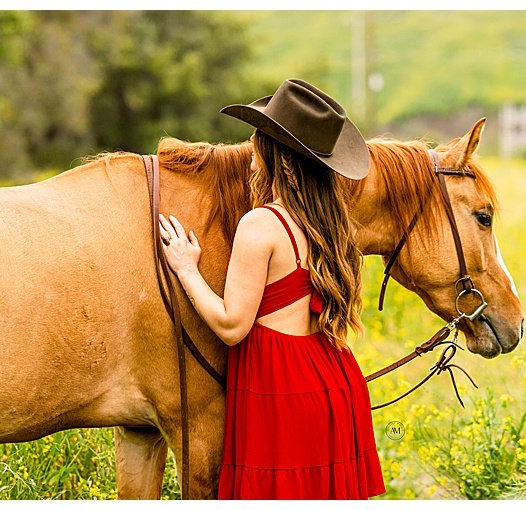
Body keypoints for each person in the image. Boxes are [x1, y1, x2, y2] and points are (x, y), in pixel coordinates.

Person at [158, 79, 385, 499]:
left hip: (281, 393)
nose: (249, 148)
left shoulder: (261, 224)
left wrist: (186, 267)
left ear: (276, 157)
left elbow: (231, 326)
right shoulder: (329, 227)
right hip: (333, 387)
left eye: (258, 139)